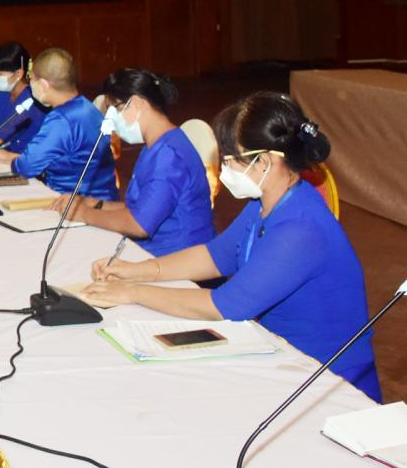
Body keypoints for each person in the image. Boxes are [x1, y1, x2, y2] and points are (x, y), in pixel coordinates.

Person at [83, 92, 380, 401]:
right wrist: (136, 271)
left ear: (264, 161)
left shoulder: (301, 229)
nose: (224, 170)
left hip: (329, 381)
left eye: (230, 160)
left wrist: (132, 292)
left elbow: (225, 307)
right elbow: (215, 256)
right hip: (285, 360)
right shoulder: (266, 202)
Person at [48, 69, 213, 257]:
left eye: (115, 109)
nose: (110, 120)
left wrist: (82, 213)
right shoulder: (155, 145)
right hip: (156, 253)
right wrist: (93, 203)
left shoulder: (170, 156)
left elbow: (139, 224)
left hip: (178, 260)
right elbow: (139, 207)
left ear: (136, 103)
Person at [0, 47, 118, 200]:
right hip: (103, 200)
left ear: (43, 84)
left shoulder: (61, 119)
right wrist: (9, 157)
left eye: (31, 79)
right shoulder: (88, 108)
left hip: (72, 202)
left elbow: (26, 167)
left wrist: (14, 162)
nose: (30, 85)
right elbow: (60, 158)